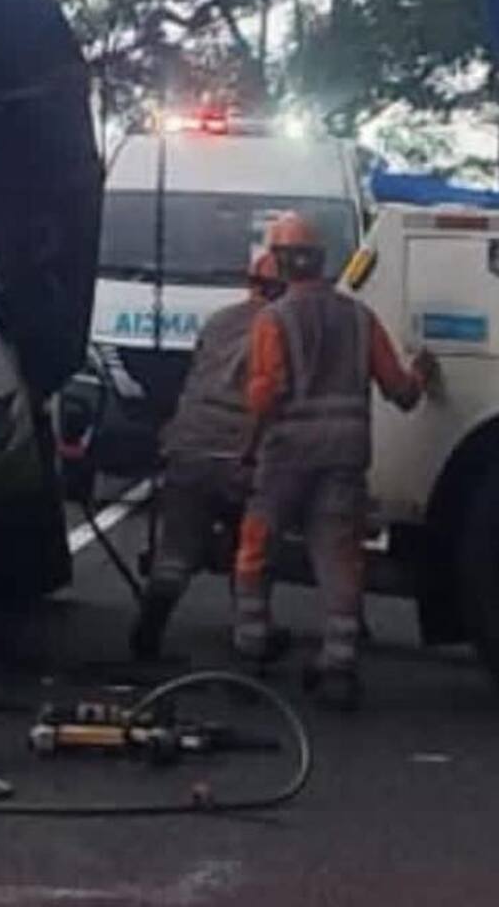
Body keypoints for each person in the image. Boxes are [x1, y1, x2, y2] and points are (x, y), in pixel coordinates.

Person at [233, 211, 437, 711]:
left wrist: (249, 447)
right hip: (345, 456)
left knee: (258, 543)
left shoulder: (272, 320)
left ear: (279, 263)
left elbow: (265, 395)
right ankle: (339, 662)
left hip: (286, 456)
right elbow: (400, 391)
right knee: (339, 554)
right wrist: (422, 376)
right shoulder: (359, 318)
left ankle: (252, 643)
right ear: (322, 261)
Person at [130, 250, 285, 661]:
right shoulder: (284, 327)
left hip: (189, 444)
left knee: (176, 550)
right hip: (240, 451)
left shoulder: (219, 321)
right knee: (249, 553)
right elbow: (276, 394)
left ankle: (149, 628)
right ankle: (251, 640)